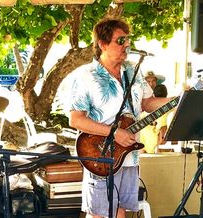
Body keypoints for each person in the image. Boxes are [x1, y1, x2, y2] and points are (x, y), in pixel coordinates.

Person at [68, 18, 173, 218]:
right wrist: (114, 133)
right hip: (100, 153)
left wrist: (176, 99)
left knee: (120, 211)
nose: (127, 44)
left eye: (127, 40)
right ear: (102, 44)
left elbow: (147, 103)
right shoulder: (85, 76)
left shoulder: (133, 71)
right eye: (120, 40)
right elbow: (76, 120)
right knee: (98, 213)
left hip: (129, 155)